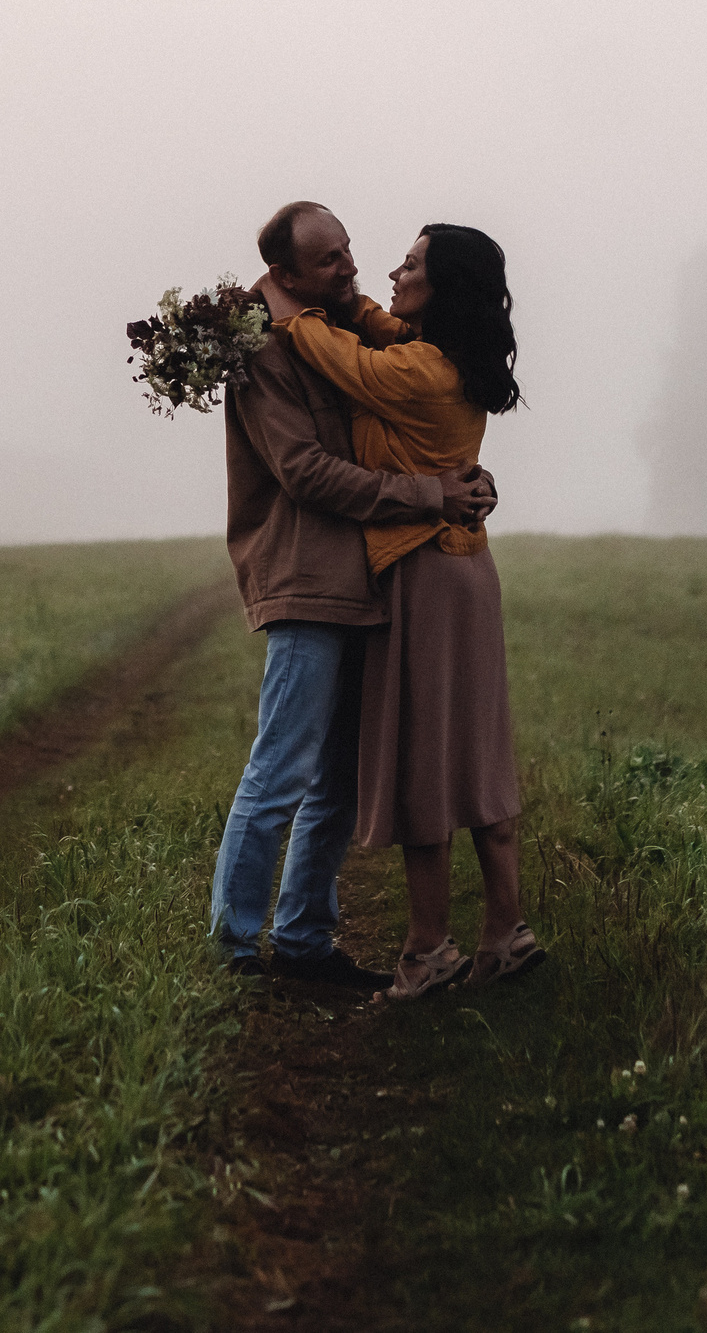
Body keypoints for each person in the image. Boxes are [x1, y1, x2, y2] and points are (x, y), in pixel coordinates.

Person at [216, 202, 497, 988]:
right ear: (287, 276)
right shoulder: (266, 353)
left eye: (348, 251)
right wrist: (427, 493)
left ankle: (304, 940)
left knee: (336, 779)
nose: (351, 268)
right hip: (306, 579)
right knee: (280, 770)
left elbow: (412, 397)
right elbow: (303, 471)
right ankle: (239, 946)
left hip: (364, 579)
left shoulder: (347, 332)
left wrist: (459, 477)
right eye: (330, 259)